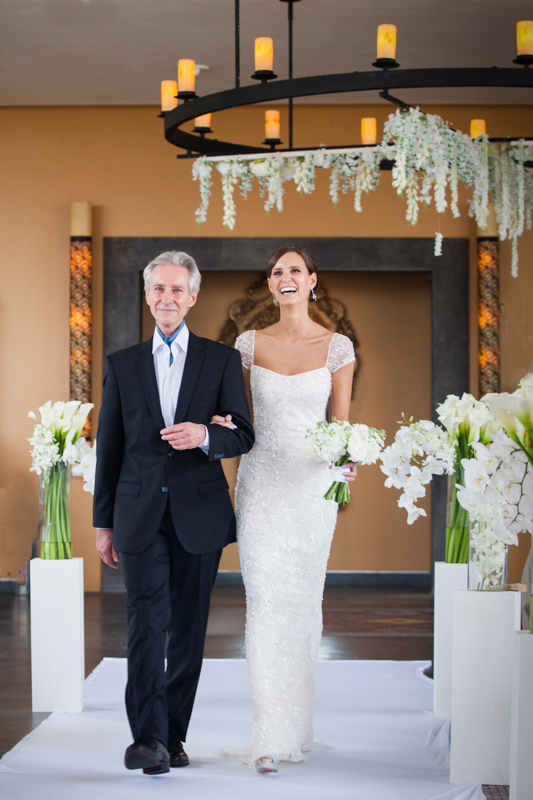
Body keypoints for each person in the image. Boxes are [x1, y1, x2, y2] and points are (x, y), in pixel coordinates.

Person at [93, 250, 254, 776]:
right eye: (158, 289)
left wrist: (206, 434)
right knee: (145, 624)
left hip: (198, 514)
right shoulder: (121, 364)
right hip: (137, 514)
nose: (167, 297)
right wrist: (103, 523)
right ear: (147, 296)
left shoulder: (221, 359)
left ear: (193, 296)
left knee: (187, 628)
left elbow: (244, 435)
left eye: (177, 289)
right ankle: (148, 739)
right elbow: (109, 449)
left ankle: (174, 737)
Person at [215, 244, 356, 774]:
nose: (285, 277)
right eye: (277, 272)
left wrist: (346, 459)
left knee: (301, 604)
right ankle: (267, 735)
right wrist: (222, 425)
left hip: (311, 489)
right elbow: (239, 415)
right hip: (261, 483)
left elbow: (340, 424)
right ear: (271, 286)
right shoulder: (248, 344)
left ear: (312, 280)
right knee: (265, 602)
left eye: (295, 270)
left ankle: (296, 725)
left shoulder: (338, 348)